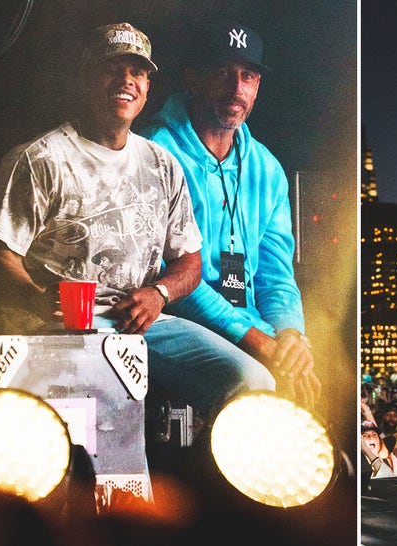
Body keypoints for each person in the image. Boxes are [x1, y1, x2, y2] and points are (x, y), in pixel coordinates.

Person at [0, 22, 275, 430]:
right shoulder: (40, 159)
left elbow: (190, 261)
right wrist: (36, 297)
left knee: (253, 381)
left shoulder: (161, 163)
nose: (126, 81)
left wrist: (159, 294)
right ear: (87, 75)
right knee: (103, 420)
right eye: (112, 68)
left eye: (138, 71)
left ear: (147, 84)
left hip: (143, 322)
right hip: (59, 326)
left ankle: (213, 489)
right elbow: (1, 255)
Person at [139, 20, 320, 408]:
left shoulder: (267, 169)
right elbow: (168, 276)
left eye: (248, 75)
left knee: (323, 381)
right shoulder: (156, 152)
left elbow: (275, 276)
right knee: (252, 379)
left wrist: (291, 336)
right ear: (193, 78)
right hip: (175, 315)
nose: (236, 89)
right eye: (223, 73)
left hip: (247, 323)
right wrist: (256, 340)